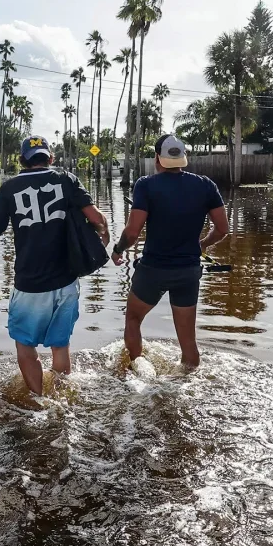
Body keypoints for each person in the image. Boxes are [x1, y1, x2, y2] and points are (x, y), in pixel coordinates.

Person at [0, 136, 110, 395]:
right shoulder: (66, 179)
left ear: (22, 160)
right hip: (66, 281)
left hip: (30, 285)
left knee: (26, 349)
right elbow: (97, 218)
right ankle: (61, 399)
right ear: (50, 158)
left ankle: (39, 403)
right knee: (60, 346)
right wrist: (103, 236)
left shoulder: (10, 188)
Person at [110, 134, 229, 369]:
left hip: (153, 269)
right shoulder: (205, 185)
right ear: (184, 157)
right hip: (188, 271)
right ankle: (189, 378)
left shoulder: (146, 185)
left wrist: (117, 249)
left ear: (157, 158)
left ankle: (137, 372)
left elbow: (132, 233)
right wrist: (201, 245)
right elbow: (223, 229)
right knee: (188, 342)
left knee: (133, 319)